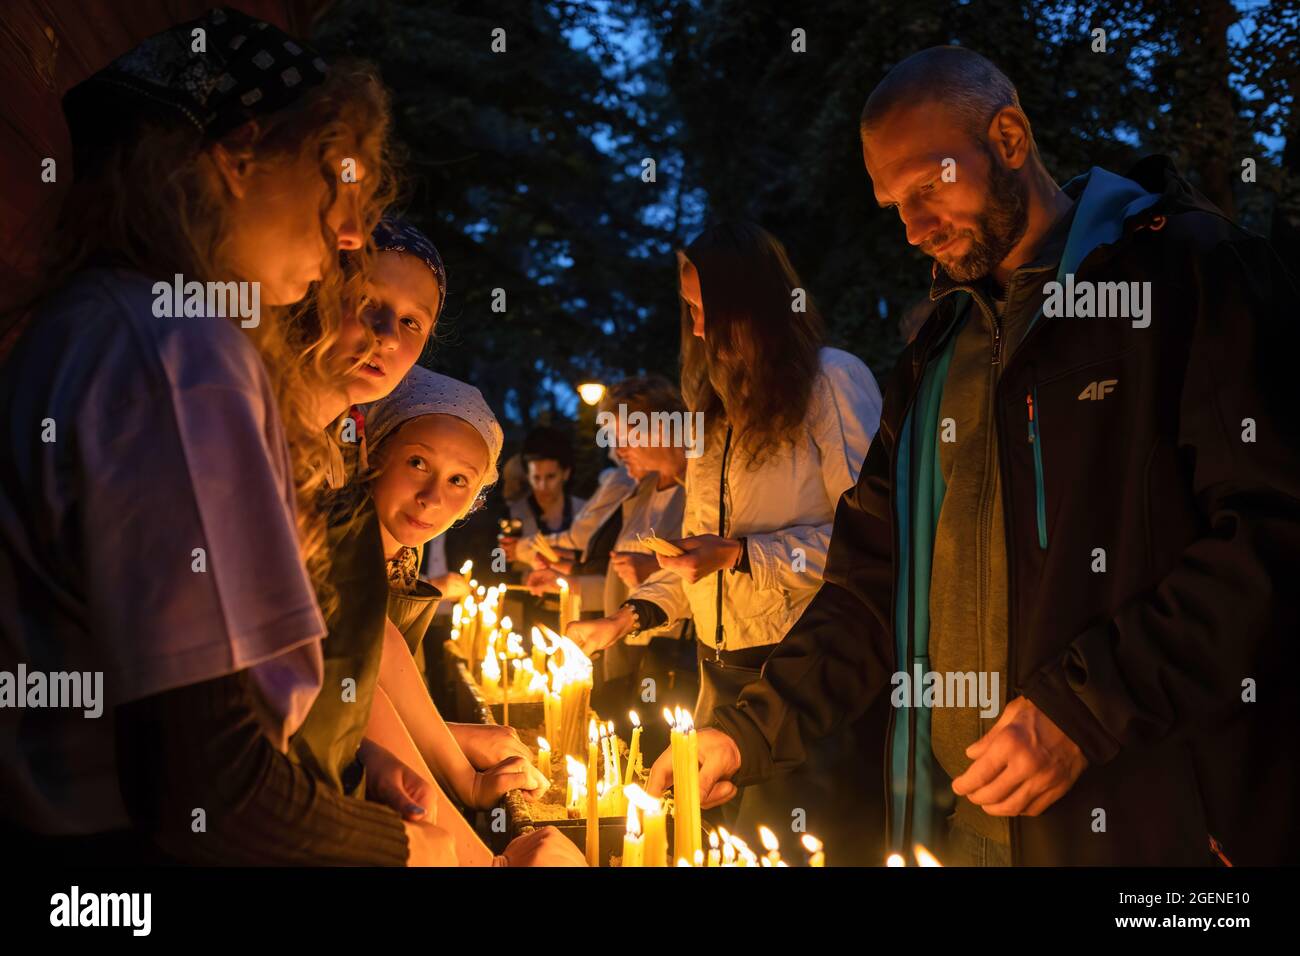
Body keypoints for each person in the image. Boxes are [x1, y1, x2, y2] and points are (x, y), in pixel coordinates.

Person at [648, 46, 1300, 867]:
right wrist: (745, 731)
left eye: (930, 185)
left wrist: (1086, 707)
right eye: (894, 205)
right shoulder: (936, 354)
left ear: (1011, 136)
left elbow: (1273, 535)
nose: (915, 227)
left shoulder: (1192, 278)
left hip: (1152, 829)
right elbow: (867, 586)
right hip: (959, 827)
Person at [0, 8, 450, 864]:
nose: (352, 233)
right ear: (240, 155)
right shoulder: (181, 350)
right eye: (335, 183)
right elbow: (210, 789)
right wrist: (418, 851)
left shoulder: (97, 319)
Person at [570, 222, 884, 832]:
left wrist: (743, 554)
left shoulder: (831, 383)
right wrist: (628, 616)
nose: (695, 328)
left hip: (805, 675)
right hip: (718, 679)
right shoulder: (713, 415)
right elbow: (693, 560)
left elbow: (869, 547)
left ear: (752, 304)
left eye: (704, 308)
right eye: (688, 309)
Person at [526, 375, 692, 712]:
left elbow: (703, 575)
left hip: (669, 657)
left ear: (658, 430)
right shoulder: (639, 493)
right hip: (624, 646)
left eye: (622, 439)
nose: (616, 452)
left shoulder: (699, 494)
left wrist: (656, 568)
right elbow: (614, 577)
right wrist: (570, 581)